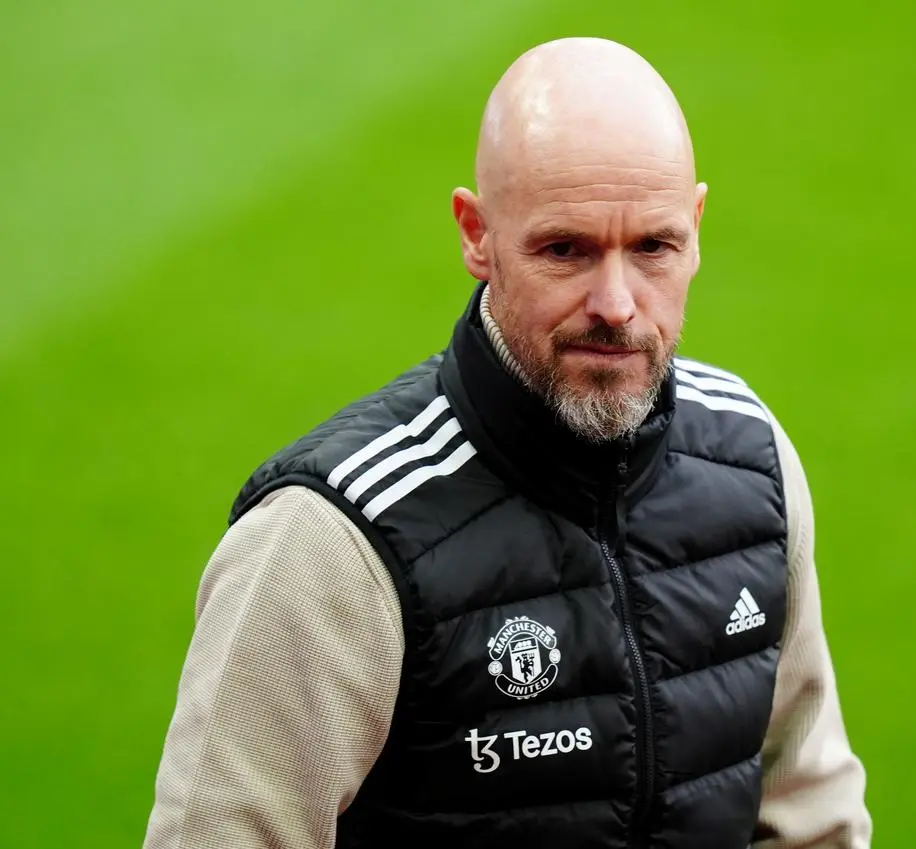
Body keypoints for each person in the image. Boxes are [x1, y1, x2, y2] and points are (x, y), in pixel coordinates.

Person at [142, 36, 873, 849]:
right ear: (476, 235)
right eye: (566, 249)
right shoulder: (328, 545)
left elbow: (812, 814)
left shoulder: (751, 458)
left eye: (654, 247)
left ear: (696, 227)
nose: (618, 304)